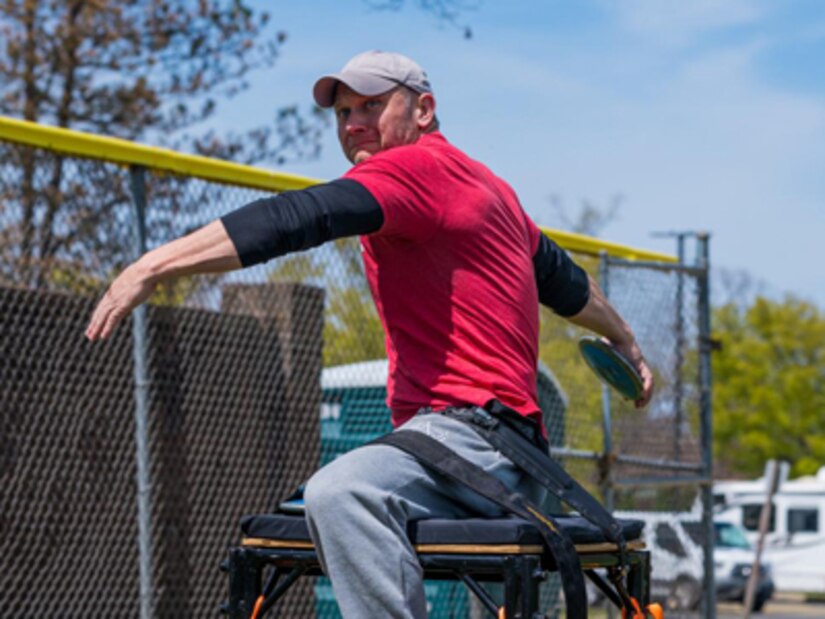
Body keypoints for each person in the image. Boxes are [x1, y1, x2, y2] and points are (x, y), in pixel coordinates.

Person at [86, 50, 654, 618]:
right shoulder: (489, 187)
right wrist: (625, 338)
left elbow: (300, 217)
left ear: (424, 110)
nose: (354, 123)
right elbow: (563, 281)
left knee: (343, 493)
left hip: (472, 442)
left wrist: (151, 265)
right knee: (336, 502)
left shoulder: (416, 170)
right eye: (343, 112)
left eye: (373, 105)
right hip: (502, 457)